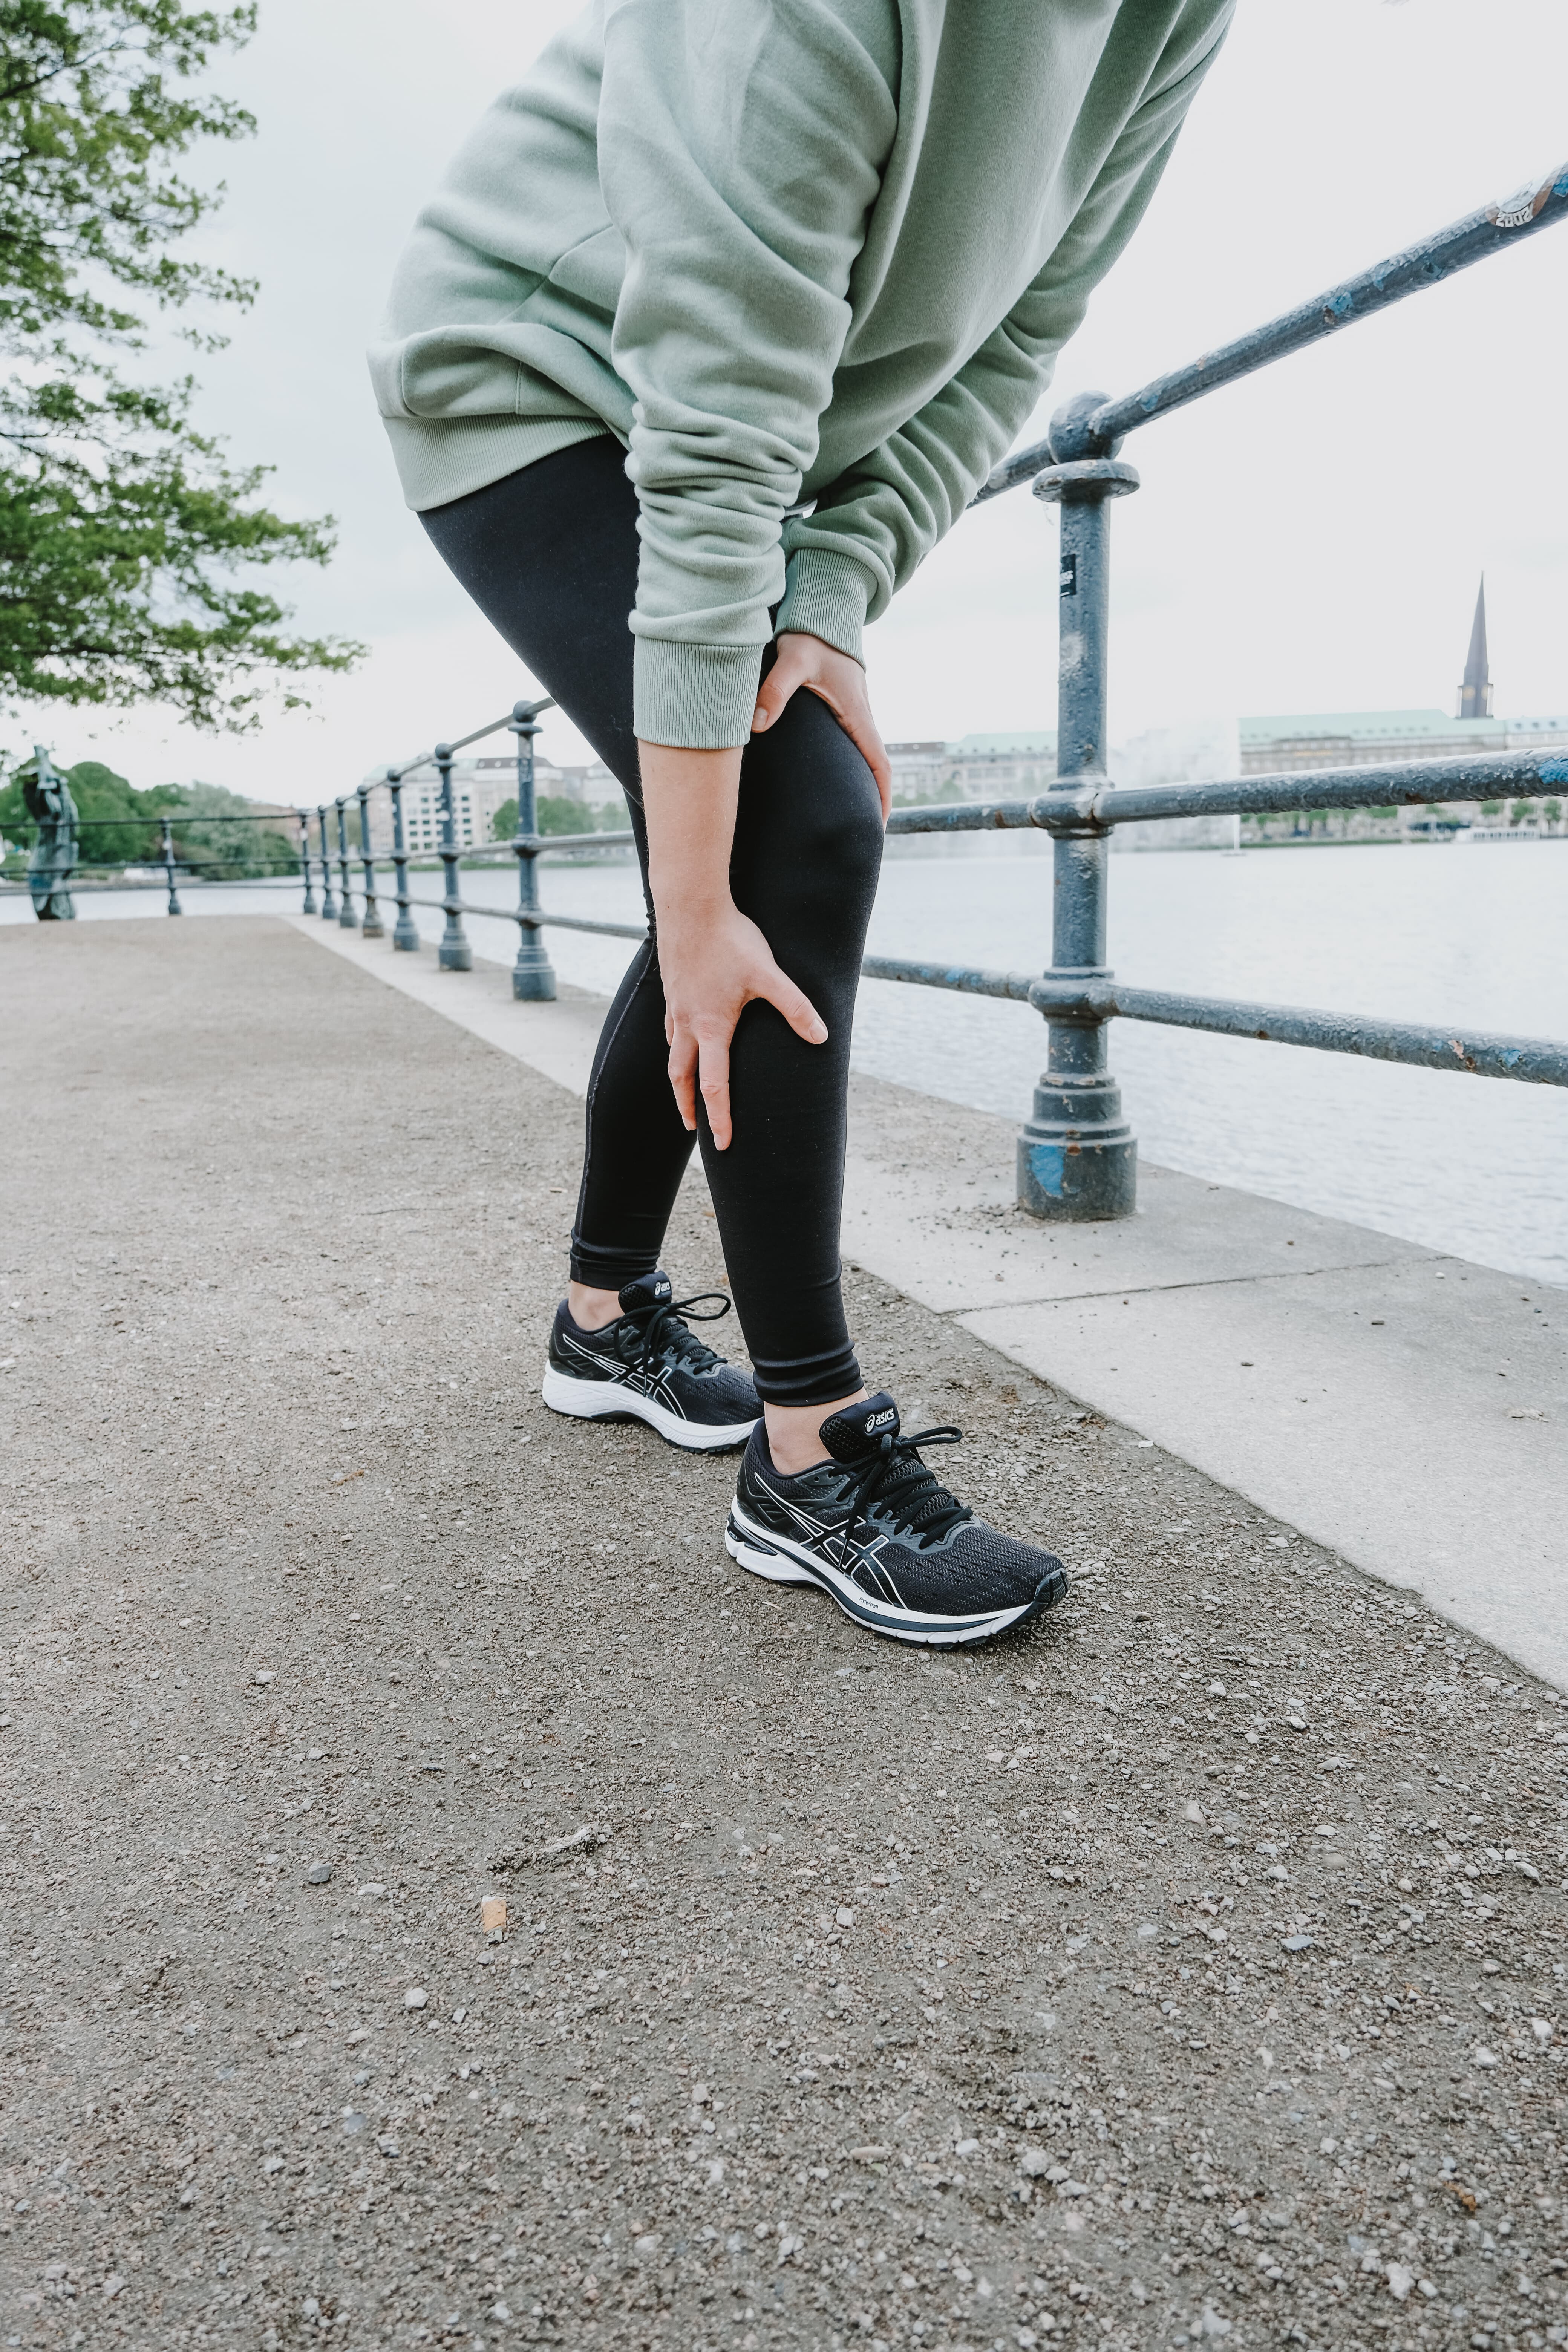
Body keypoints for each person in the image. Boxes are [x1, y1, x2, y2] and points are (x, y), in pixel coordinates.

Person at [371, 0, 1231, 1647]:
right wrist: (695, 895)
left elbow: (1013, 341)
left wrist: (834, 599)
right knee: (794, 835)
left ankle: (602, 1311)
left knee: (750, 853)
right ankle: (806, 1454)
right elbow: (711, 438)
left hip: (769, 438)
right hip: (530, 364)